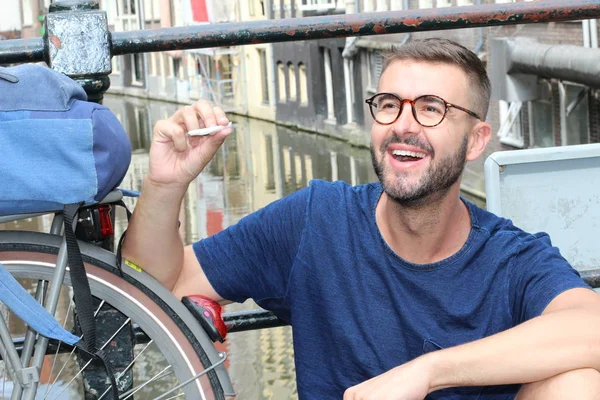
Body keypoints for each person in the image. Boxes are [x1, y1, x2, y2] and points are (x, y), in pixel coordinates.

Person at [122, 38, 600, 399]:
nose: (403, 125)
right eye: (389, 105)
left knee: (579, 384)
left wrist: (428, 371)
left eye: (432, 108)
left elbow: (590, 328)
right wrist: (166, 185)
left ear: (476, 141)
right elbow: (158, 281)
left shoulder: (509, 257)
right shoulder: (317, 220)